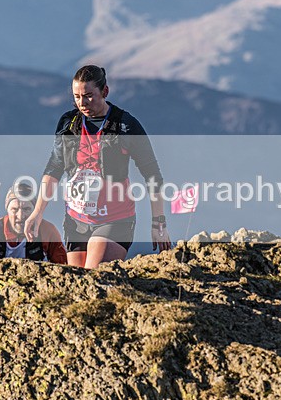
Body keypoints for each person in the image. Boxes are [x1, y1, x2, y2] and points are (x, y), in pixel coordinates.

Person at [25, 65, 172, 269]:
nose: (82, 103)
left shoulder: (125, 126)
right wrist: (37, 213)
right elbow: (54, 168)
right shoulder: (68, 123)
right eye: (76, 96)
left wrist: (159, 223)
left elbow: (152, 174)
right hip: (76, 220)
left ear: (105, 92)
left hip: (115, 220)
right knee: (76, 286)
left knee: (94, 277)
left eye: (89, 96)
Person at [0, 182, 67, 278]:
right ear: (7, 210)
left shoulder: (47, 231)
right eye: (14, 209)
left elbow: (65, 273)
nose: (20, 216)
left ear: (35, 211)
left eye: (26, 209)